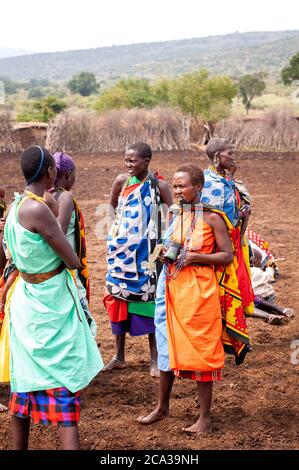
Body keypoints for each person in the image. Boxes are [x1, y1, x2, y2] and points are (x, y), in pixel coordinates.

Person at [3, 145, 103, 450]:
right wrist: (56, 211)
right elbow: (73, 260)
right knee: (64, 383)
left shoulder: (14, 206)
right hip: (50, 302)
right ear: (50, 172)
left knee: (23, 382)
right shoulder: (38, 209)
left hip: (26, 299)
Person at [137, 164, 233, 433]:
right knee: (166, 343)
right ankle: (162, 407)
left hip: (198, 293)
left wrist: (196, 257)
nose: (177, 190)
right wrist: (161, 251)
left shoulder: (214, 218)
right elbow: (170, 245)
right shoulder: (176, 213)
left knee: (201, 348)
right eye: (175, 186)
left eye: (182, 186)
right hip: (169, 288)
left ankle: (205, 417)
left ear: (198, 188)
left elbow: (227, 256)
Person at [103, 142, 173, 377]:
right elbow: (112, 208)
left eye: (133, 160)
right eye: (126, 159)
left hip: (149, 255)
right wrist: (117, 236)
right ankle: (119, 356)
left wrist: (157, 248)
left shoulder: (159, 186)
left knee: (150, 300)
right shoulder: (121, 181)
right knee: (118, 301)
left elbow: (170, 215)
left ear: (146, 161)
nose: (128, 164)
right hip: (121, 254)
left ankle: (154, 359)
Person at [201, 138, 254, 361]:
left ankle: (228, 341)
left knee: (231, 292)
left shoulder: (224, 179)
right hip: (219, 248)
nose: (232, 156)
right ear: (217, 157)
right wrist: (239, 216)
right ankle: (221, 342)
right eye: (228, 153)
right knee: (221, 294)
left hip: (229, 243)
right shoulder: (211, 183)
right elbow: (216, 219)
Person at [50, 152, 96, 336]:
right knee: (79, 313)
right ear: (68, 174)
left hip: (49, 267)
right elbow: (58, 234)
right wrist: (73, 262)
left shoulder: (41, 196)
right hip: (66, 266)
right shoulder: (65, 198)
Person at [250, 249, 294, 325]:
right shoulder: (256, 271)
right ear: (254, 260)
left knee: (252, 301)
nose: (261, 263)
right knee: (256, 300)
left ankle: (271, 315)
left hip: (254, 300)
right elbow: (270, 277)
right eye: (260, 260)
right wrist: (270, 268)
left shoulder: (245, 270)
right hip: (268, 298)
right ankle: (282, 310)